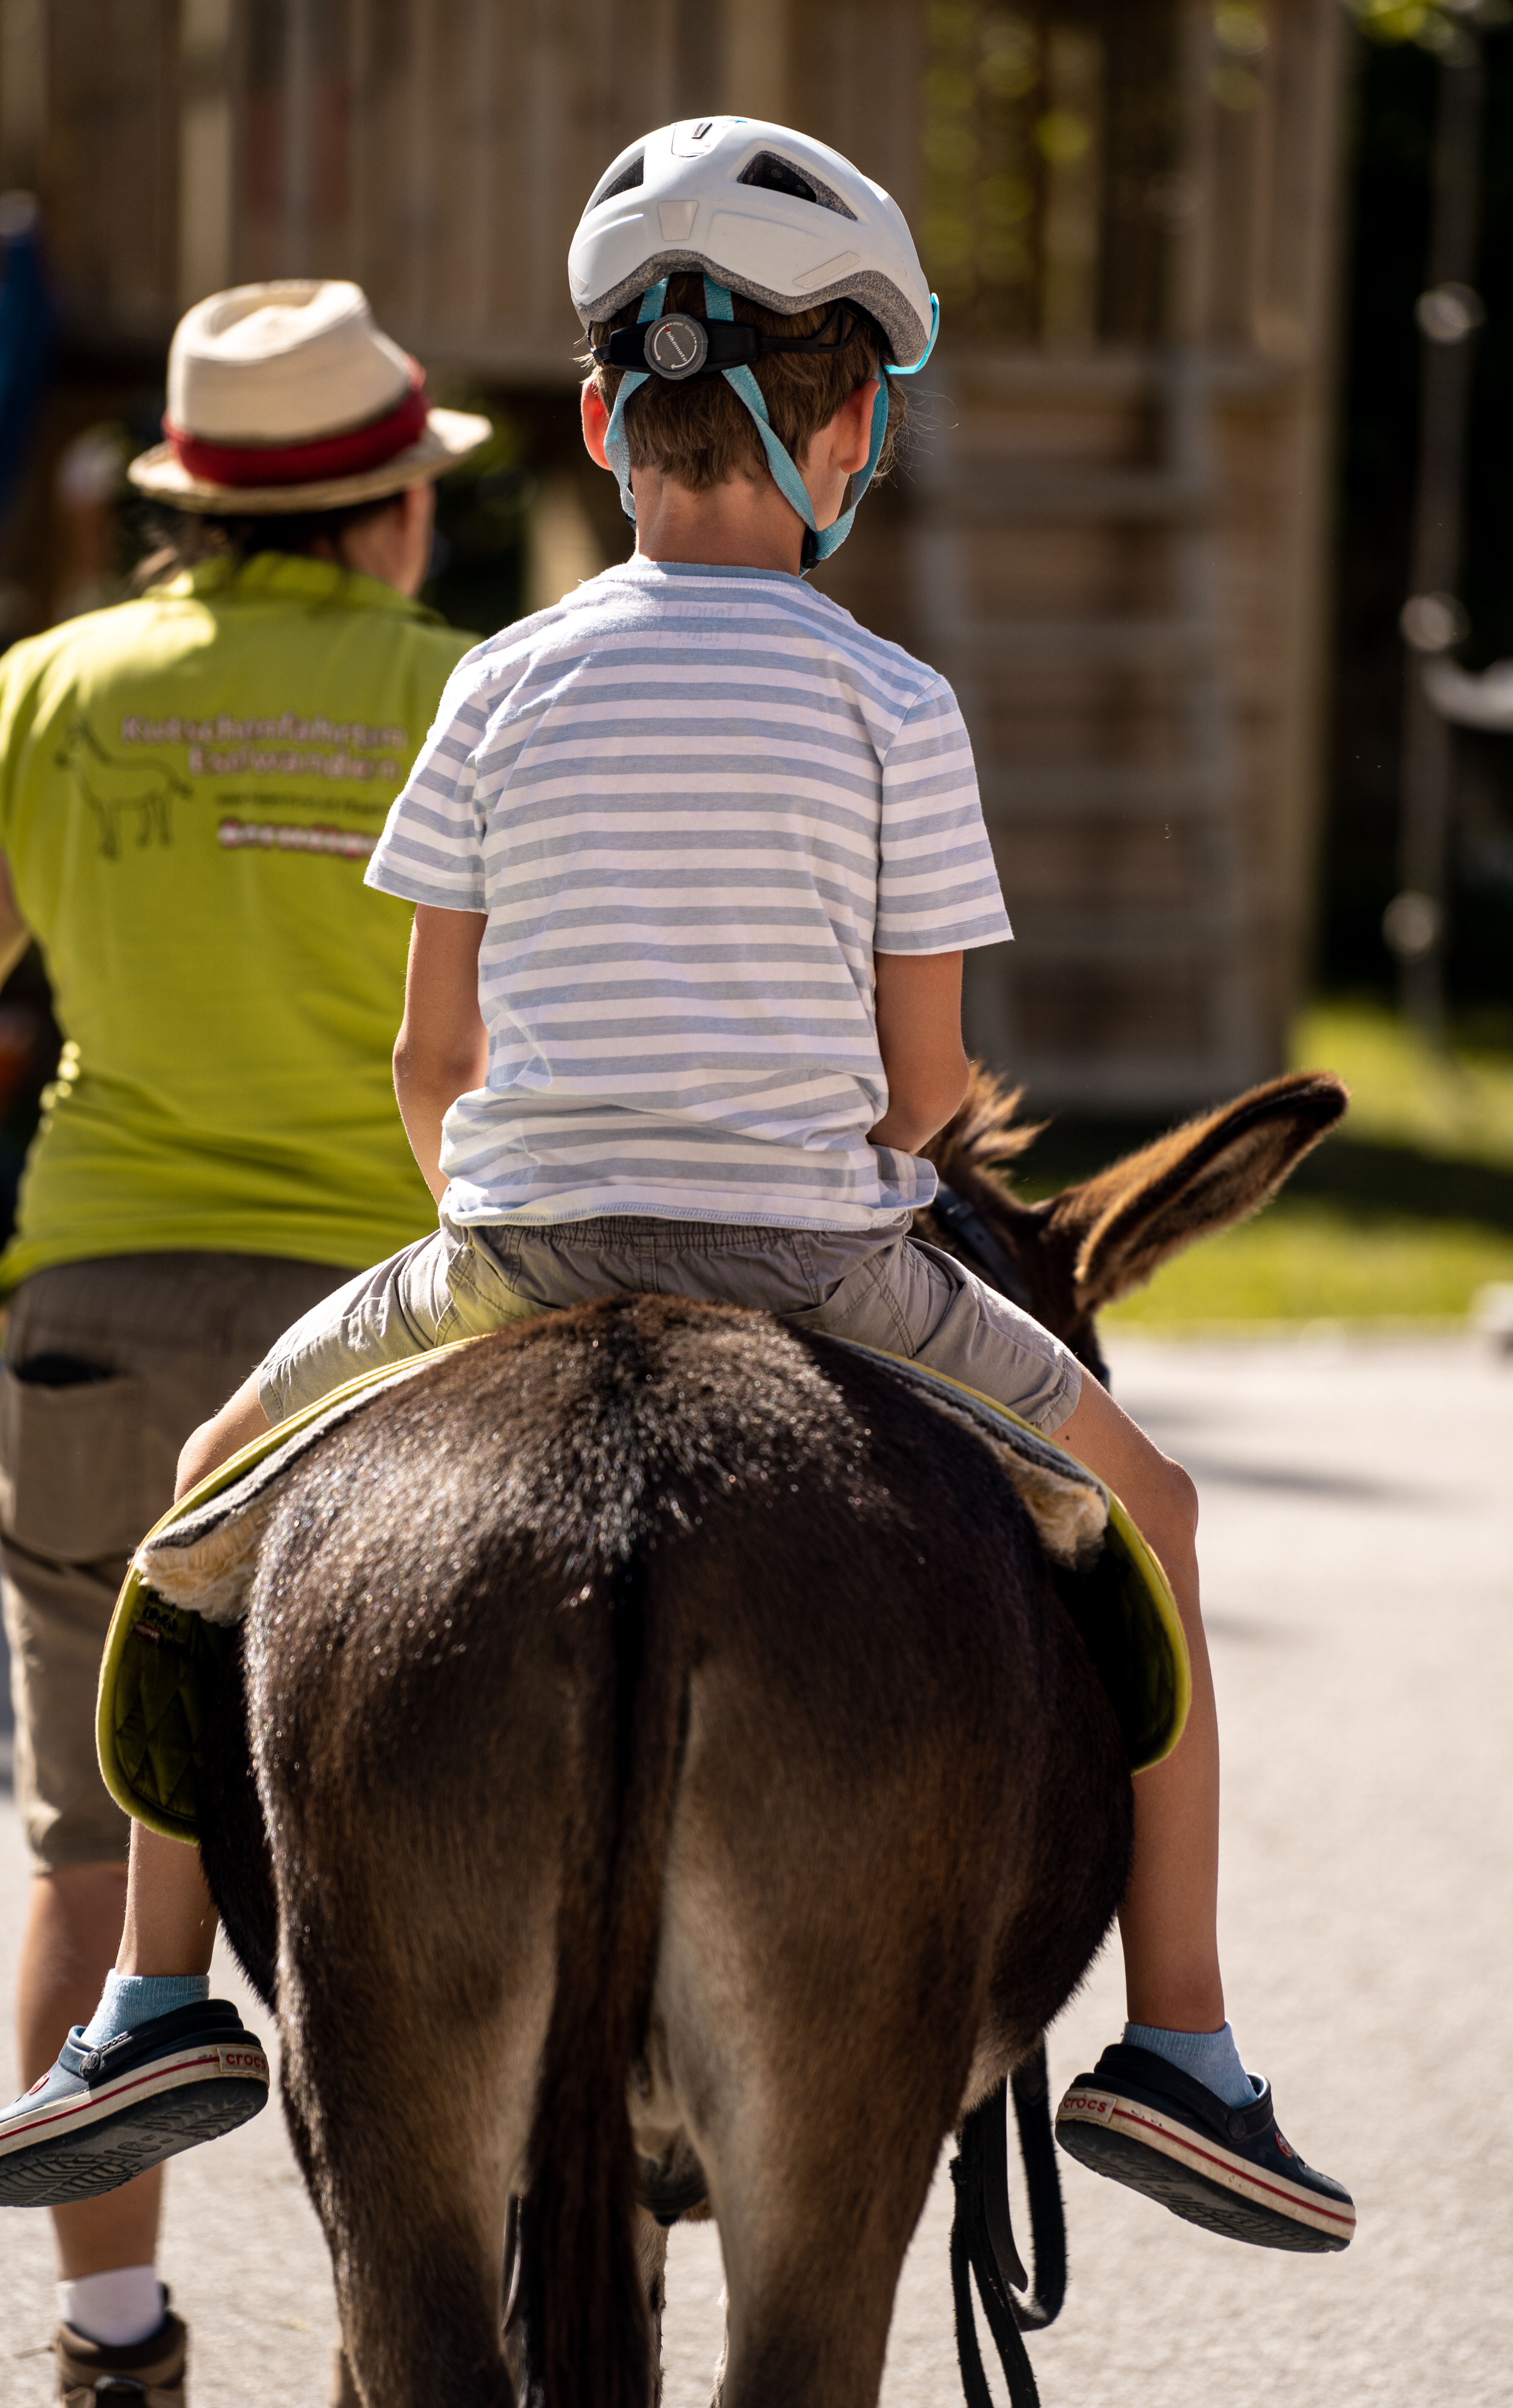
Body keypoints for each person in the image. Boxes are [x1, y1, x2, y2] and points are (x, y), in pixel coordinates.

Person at [1, 123, 1353, 2261]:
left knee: (198, 1504)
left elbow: (430, 1054)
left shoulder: (491, 678)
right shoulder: (900, 704)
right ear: (848, 432)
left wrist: (489, 1227)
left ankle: (156, 1999)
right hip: (823, 1258)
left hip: (512, 1244)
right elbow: (922, 1090)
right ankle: (1181, 2044)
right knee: (1155, 1519)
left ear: (609, 426)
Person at [0, 280, 488, 2399]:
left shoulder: (50, 686)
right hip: (394, 1332)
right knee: (423, 1867)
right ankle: (422, 2328)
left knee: (92, 1839)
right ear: (390, 507)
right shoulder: (476, 691)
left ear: (191, 508)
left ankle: (111, 2336)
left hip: (94, 1310)